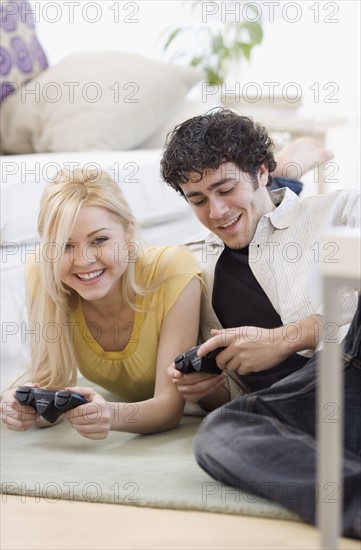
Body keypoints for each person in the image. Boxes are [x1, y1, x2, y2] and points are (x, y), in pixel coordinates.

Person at [160, 108, 361, 539]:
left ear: (263, 172)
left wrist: (286, 339)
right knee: (221, 433)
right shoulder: (199, 267)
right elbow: (248, 388)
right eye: (197, 200)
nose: (215, 211)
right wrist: (213, 387)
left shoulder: (339, 211)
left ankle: (296, 158)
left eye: (226, 188)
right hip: (314, 413)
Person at [0, 168, 202, 439]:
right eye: (65, 245)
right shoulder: (43, 271)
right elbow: (52, 387)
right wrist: (29, 407)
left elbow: (169, 408)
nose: (83, 260)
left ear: (129, 232)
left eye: (100, 240)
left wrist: (109, 414)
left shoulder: (171, 269)